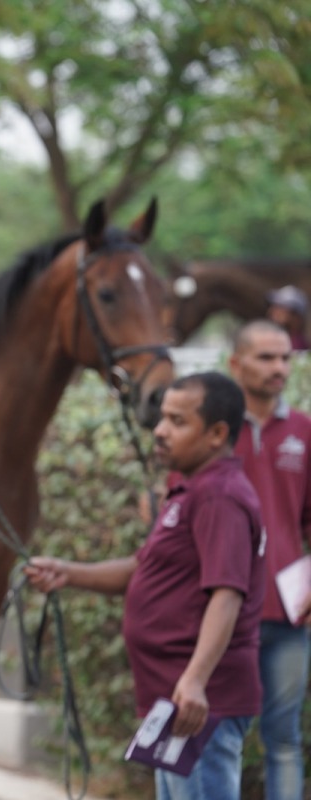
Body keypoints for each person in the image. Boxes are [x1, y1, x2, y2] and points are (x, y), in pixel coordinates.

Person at [25, 372, 265, 800]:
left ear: (216, 434)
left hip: (199, 701)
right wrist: (68, 572)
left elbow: (227, 595)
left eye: (177, 421)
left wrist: (194, 680)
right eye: (162, 418)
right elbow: (145, 568)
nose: (159, 430)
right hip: (172, 697)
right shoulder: (190, 487)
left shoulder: (220, 496)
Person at [228, 320, 311, 800]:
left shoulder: (304, 430)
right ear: (236, 364)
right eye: (266, 357)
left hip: (288, 616)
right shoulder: (212, 427)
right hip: (222, 612)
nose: (279, 367)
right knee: (221, 736)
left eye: (285, 358)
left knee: (283, 741)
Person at [264, 285, 308, 352]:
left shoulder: (298, 349)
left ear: (295, 316)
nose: (272, 312)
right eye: (274, 306)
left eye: (280, 307)